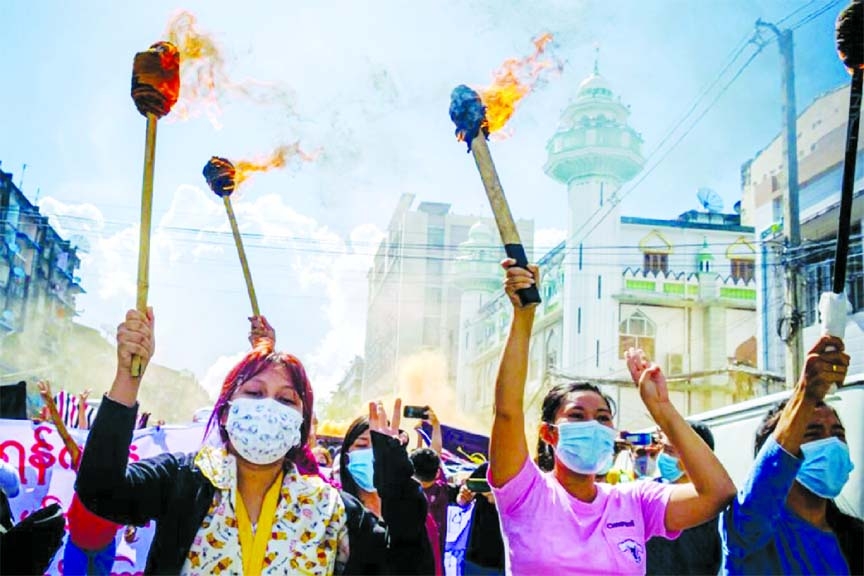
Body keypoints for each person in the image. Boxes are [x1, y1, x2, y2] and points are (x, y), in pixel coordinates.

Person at [489, 260, 737, 574]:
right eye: (577, 416)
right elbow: (507, 412)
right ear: (549, 433)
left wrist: (662, 410)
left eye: (603, 418)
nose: (593, 425)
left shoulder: (634, 502)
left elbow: (718, 493)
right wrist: (524, 316)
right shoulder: (525, 493)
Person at [75, 308, 348, 574]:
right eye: (254, 393)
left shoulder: (328, 507)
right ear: (227, 412)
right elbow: (100, 491)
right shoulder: (184, 480)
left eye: (286, 400)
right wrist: (128, 376)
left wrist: (388, 466)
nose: (268, 408)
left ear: (301, 423)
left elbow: (388, 556)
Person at [720, 335, 862, 575]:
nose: (831, 444)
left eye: (838, 433)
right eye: (813, 433)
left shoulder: (854, 538)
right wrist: (805, 395)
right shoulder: (749, 530)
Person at [340, 400, 436, 575]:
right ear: (346, 457)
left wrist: (396, 480)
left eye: (377, 448)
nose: (372, 455)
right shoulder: (335, 511)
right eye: (362, 446)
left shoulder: (411, 511)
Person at [37, 379, 122, 575]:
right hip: (77, 546)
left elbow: (135, 499)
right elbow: (65, 435)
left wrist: (132, 525)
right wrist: (50, 402)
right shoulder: (83, 459)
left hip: (104, 549)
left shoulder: (122, 470)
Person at [645, 422, 722, 575]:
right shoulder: (648, 498)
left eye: (670, 450)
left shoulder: (717, 506)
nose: (664, 456)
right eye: (664, 450)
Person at [458, 463, 505, 576]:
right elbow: (461, 498)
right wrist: (464, 496)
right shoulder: (486, 468)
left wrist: (500, 500)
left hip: (505, 560)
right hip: (475, 555)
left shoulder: (525, 476)